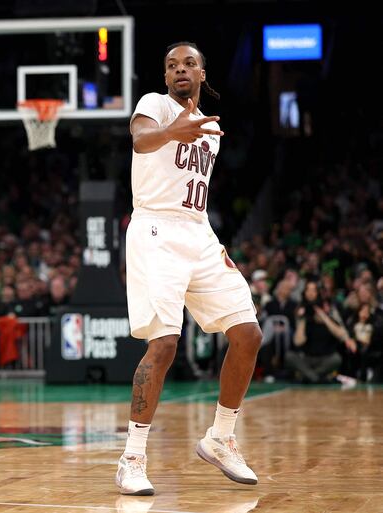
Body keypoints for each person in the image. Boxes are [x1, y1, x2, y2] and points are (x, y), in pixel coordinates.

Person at [117, 42, 262, 496]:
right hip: (155, 229)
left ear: (202, 73)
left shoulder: (212, 129)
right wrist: (170, 132)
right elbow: (141, 140)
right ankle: (132, 458)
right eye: (172, 65)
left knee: (248, 333)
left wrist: (208, 239)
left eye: (189, 64)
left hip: (197, 231)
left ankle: (220, 437)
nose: (180, 70)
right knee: (163, 345)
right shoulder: (155, 106)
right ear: (165, 77)